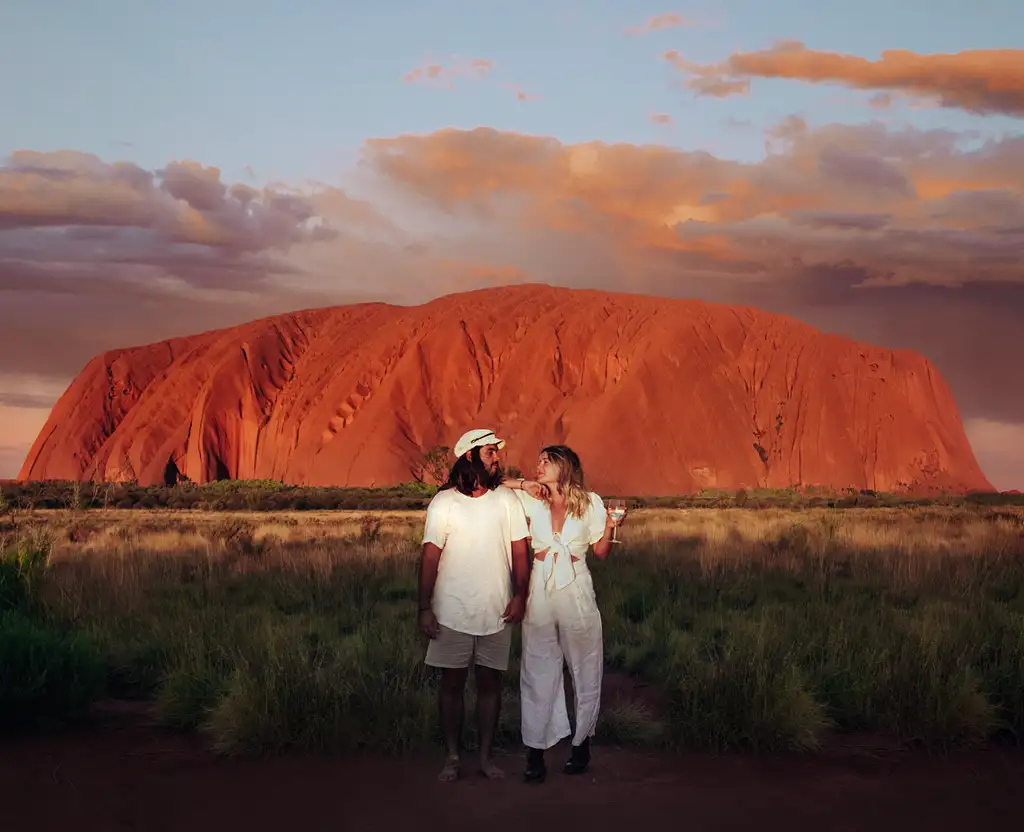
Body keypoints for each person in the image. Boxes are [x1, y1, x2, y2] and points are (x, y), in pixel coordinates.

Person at [502, 445, 627, 783]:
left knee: (584, 666)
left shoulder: (590, 503)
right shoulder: (532, 500)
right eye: (538, 460)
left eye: (546, 461)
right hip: (541, 586)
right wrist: (524, 484)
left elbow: (600, 552)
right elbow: (497, 484)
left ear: (565, 467)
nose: (539, 465)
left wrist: (613, 526)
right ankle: (535, 752)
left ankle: (582, 742)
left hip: (576, 586)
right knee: (537, 667)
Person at [417, 428, 531, 782]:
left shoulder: (507, 502)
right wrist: (424, 607)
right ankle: (452, 757)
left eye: (496, 452)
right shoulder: (444, 503)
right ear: (469, 457)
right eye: (489, 453)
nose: (496, 458)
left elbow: (520, 551)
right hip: (451, 611)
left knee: (490, 686)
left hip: (496, 611)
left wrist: (520, 595)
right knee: (451, 686)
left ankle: (484, 758)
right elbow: (430, 557)